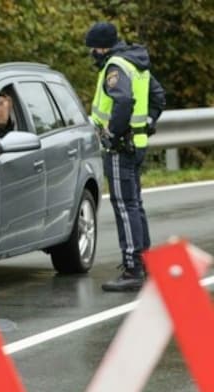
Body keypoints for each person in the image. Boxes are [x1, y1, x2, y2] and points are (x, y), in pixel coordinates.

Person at [84, 21, 166, 292]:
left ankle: (132, 268)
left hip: (121, 148)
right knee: (134, 203)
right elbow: (158, 97)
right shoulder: (136, 63)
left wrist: (114, 135)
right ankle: (145, 261)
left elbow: (124, 101)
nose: (91, 53)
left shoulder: (116, 67)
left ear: (102, 46)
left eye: (93, 48)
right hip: (137, 144)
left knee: (123, 205)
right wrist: (148, 124)